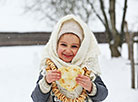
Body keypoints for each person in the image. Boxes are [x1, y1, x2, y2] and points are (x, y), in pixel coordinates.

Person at [31, 15, 108, 102]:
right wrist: (46, 82)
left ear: (82, 48)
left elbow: (103, 94)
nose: (68, 50)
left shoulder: (87, 68)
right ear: (55, 45)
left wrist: (91, 87)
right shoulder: (49, 69)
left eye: (74, 46)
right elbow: (36, 99)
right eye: (63, 44)